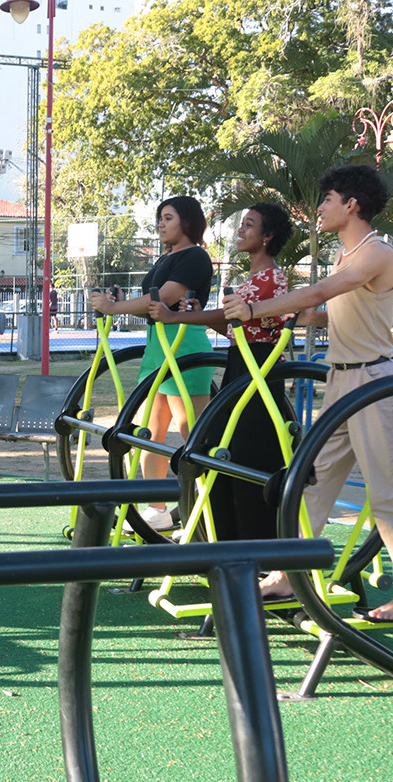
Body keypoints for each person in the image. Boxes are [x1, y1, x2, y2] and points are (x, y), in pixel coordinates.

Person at [222, 164, 393, 623]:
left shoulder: (375, 253)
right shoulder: (347, 256)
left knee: (389, 490)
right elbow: (329, 310)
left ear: (351, 205)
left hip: (373, 384)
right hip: (340, 380)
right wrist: (287, 317)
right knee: (310, 480)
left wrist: (258, 307)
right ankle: (284, 574)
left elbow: (318, 292)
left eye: (327, 200)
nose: (319, 209)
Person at [147, 202, 296, 542]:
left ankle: (253, 539)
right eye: (241, 224)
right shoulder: (255, 279)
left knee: (249, 450)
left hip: (259, 366)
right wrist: (197, 312)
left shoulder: (272, 278)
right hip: (240, 362)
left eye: (249, 225)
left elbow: (232, 318)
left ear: (267, 236)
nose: (241, 231)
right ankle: (220, 531)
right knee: (225, 447)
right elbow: (232, 324)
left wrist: (176, 317)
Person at [89, 195, 215, 532]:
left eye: (168, 217)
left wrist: (115, 308)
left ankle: (212, 506)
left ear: (187, 222)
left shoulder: (196, 257)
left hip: (184, 343)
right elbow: (152, 300)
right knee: (150, 432)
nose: (161, 223)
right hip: (157, 346)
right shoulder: (166, 257)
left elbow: (169, 297)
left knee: (193, 432)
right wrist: (119, 303)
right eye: (160, 217)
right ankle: (156, 509)